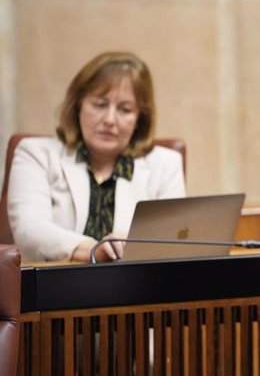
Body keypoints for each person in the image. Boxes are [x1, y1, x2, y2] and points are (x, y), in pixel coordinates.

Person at [8, 51, 186, 263]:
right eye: (100, 105)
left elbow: (173, 241)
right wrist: (94, 249)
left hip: (137, 289)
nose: (110, 120)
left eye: (125, 109)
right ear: (78, 106)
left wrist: (134, 245)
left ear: (140, 118)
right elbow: (29, 230)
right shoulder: (35, 154)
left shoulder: (166, 164)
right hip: (52, 287)